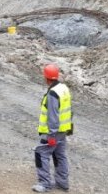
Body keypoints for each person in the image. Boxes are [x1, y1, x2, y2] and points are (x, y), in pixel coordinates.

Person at [33, 63, 72, 192]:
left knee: (40, 153)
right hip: (63, 130)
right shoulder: (63, 88)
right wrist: (69, 128)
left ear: (46, 78)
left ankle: (44, 183)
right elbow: (68, 110)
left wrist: (51, 135)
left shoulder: (53, 94)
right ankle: (62, 183)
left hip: (54, 132)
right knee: (59, 155)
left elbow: (53, 116)